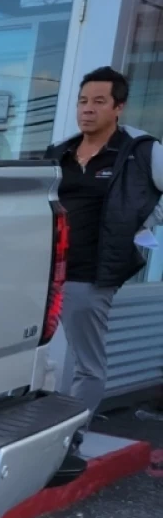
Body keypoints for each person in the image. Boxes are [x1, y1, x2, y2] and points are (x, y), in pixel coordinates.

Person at [45, 66, 163, 475]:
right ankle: (46, 431)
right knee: (49, 354)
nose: (88, 110)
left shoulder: (141, 150)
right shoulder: (60, 152)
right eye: (82, 101)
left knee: (86, 361)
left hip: (92, 272)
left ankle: (70, 439)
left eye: (98, 102)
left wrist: (145, 223)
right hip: (48, 271)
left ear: (119, 107)